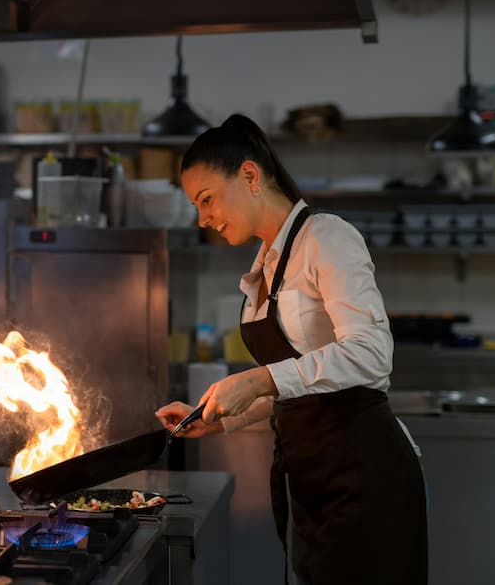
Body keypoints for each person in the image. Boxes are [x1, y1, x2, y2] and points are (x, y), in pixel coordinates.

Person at [155, 114, 427, 585]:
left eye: (207, 199)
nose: (202, 219)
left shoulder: (327, 237)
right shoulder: (265, 266)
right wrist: (219, 418)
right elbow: (297, 388)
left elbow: (371, 351)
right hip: (309, 481)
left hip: (364, 475)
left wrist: (257, 378)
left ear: (249, 175)